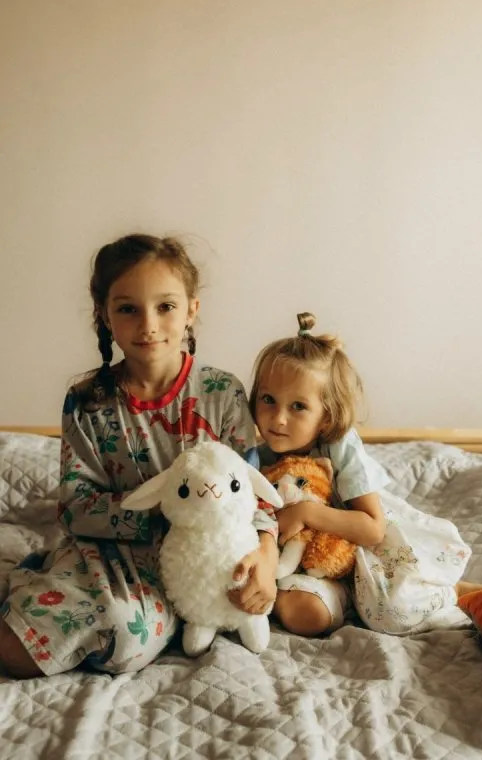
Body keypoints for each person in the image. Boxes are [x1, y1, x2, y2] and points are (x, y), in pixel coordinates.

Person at [0, 233, 278, 678]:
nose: (148, 324)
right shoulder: (87, 401)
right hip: (108, 551)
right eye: (128, 309)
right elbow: (75, 508)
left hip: (198, 561)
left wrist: (266, 559)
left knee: (128, 636)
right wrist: (167, 509)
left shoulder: (222, 394)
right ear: (104, 315)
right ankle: (34, 582)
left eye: (165, 306)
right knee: (22, 649)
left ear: (191, 310)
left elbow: (256, 496)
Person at [249, 312, 482, 638]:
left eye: (298, 407)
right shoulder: (256, 461)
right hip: (312, 567)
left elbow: (373, 530)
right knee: (303, 615)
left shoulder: (338, 447)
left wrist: (305, 513)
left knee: (401, 603)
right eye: (268, 400)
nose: (278, 418)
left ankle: (458, 590)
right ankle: (341, 602)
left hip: (370, 557)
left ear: (326, 416)